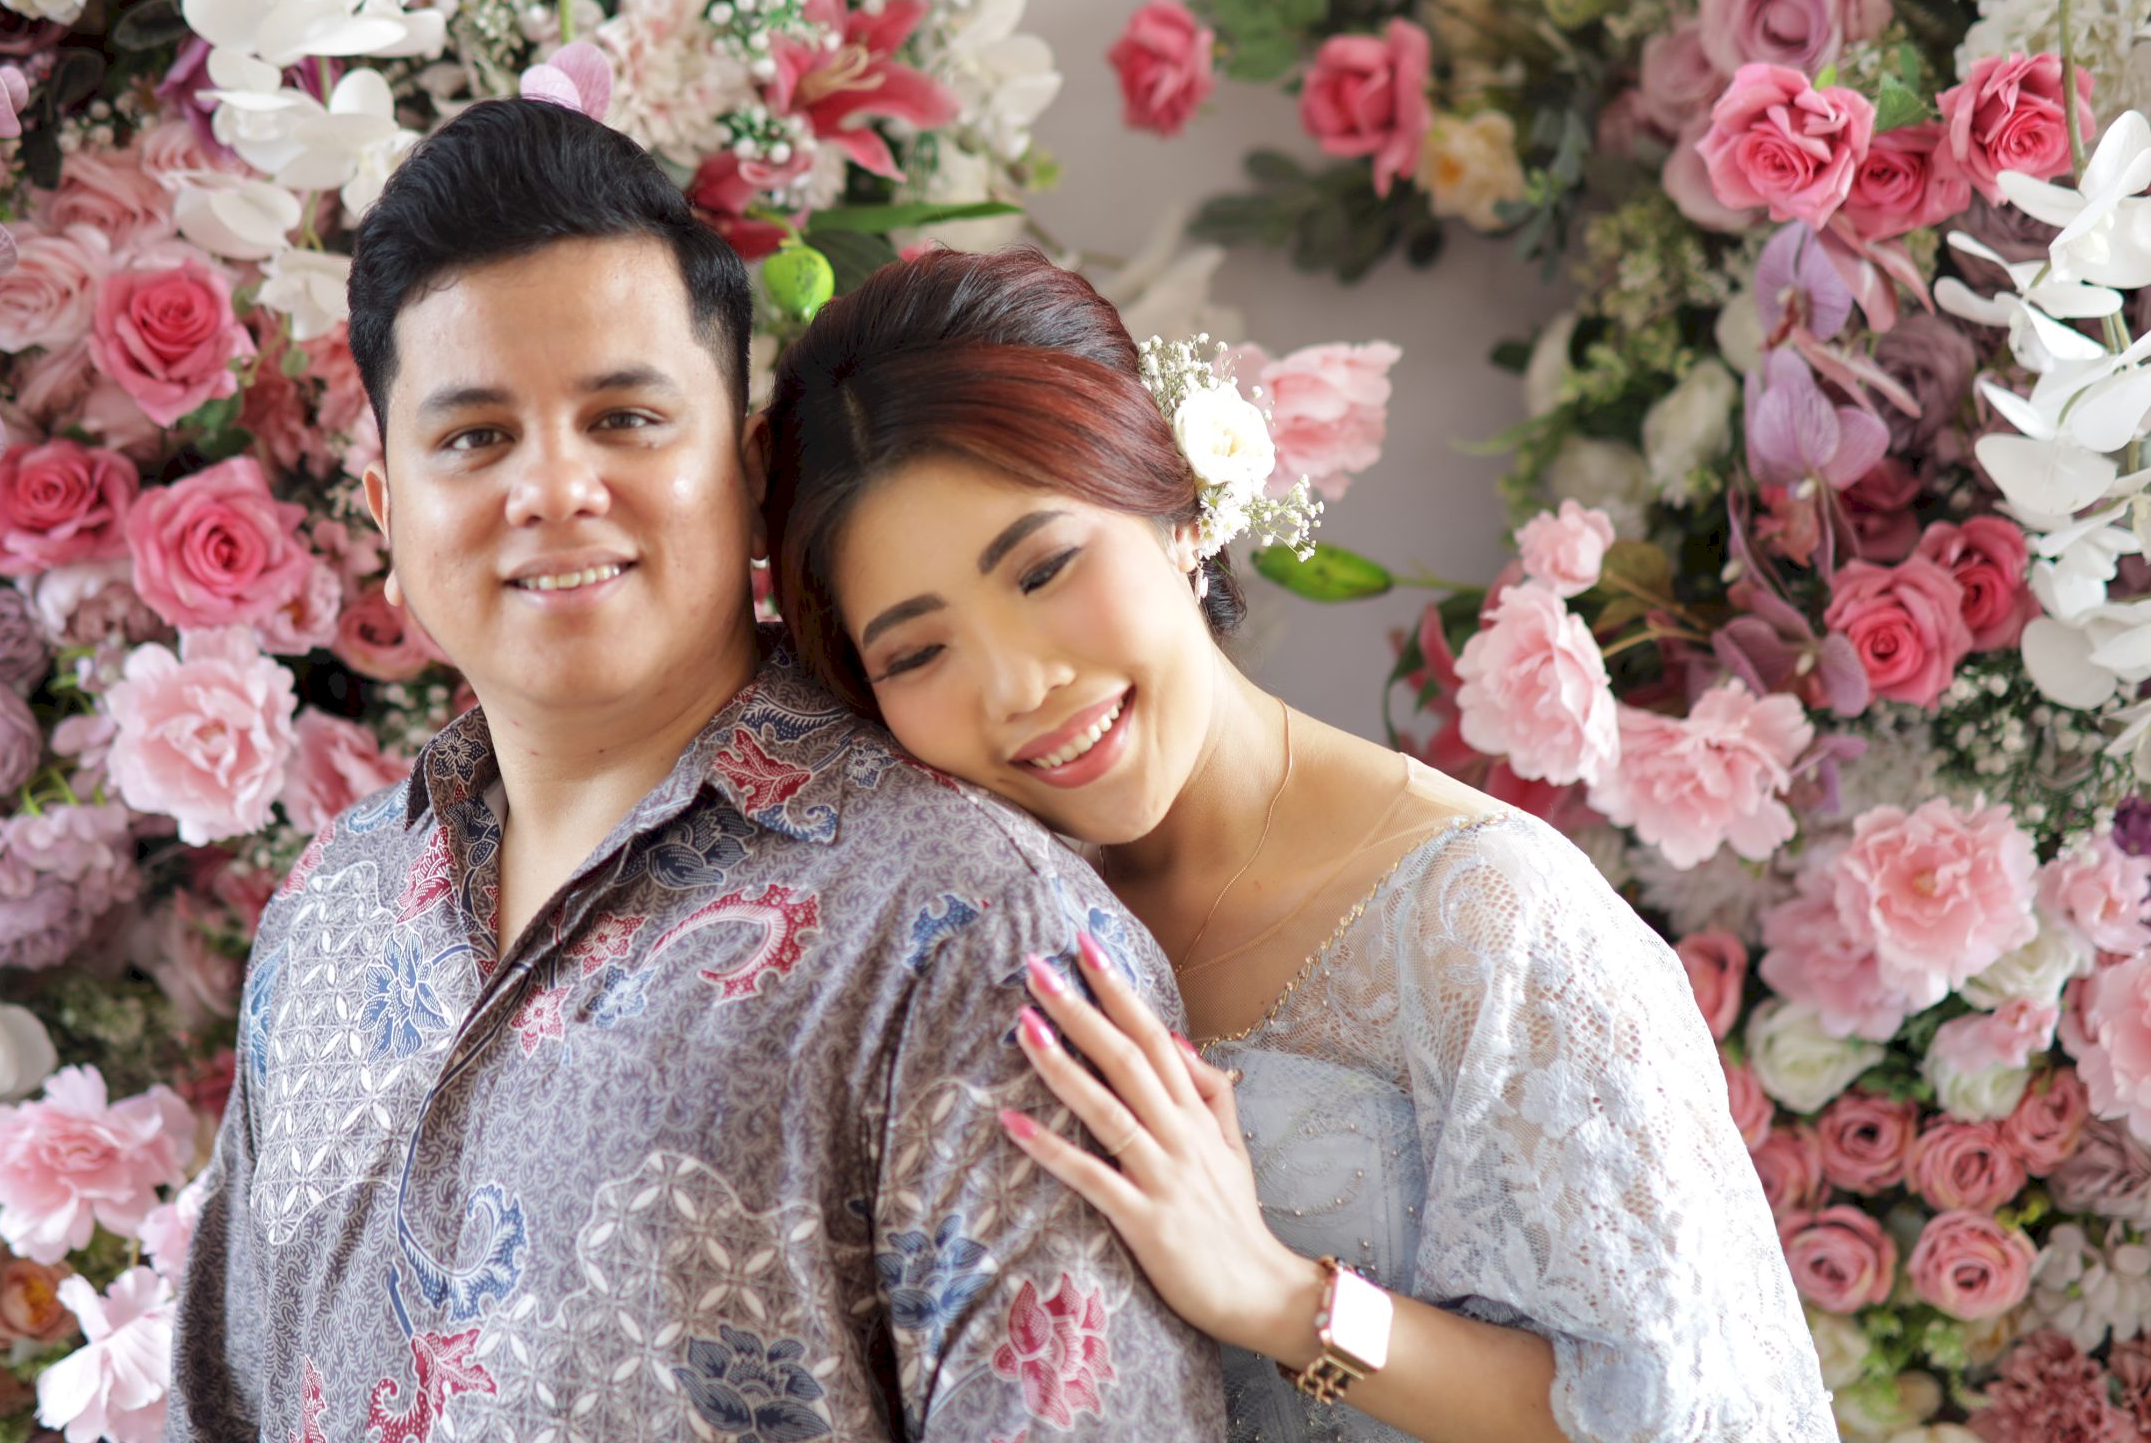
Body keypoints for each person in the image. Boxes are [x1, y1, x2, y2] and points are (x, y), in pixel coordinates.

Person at [162, 103, 1225, 1442]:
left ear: (746, 467)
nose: (554, 489)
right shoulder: (328, 909)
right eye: (474, 438)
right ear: (387, 511)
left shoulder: (971, 933)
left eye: (624, 417)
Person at [760, 246, 1836, 1443]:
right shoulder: (963, 946)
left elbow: (1687, 1414)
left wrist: (1278, 1297)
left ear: (1176, 507)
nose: (1018, 686)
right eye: (917, 652)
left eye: (1045, 568)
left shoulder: (1491, 919)